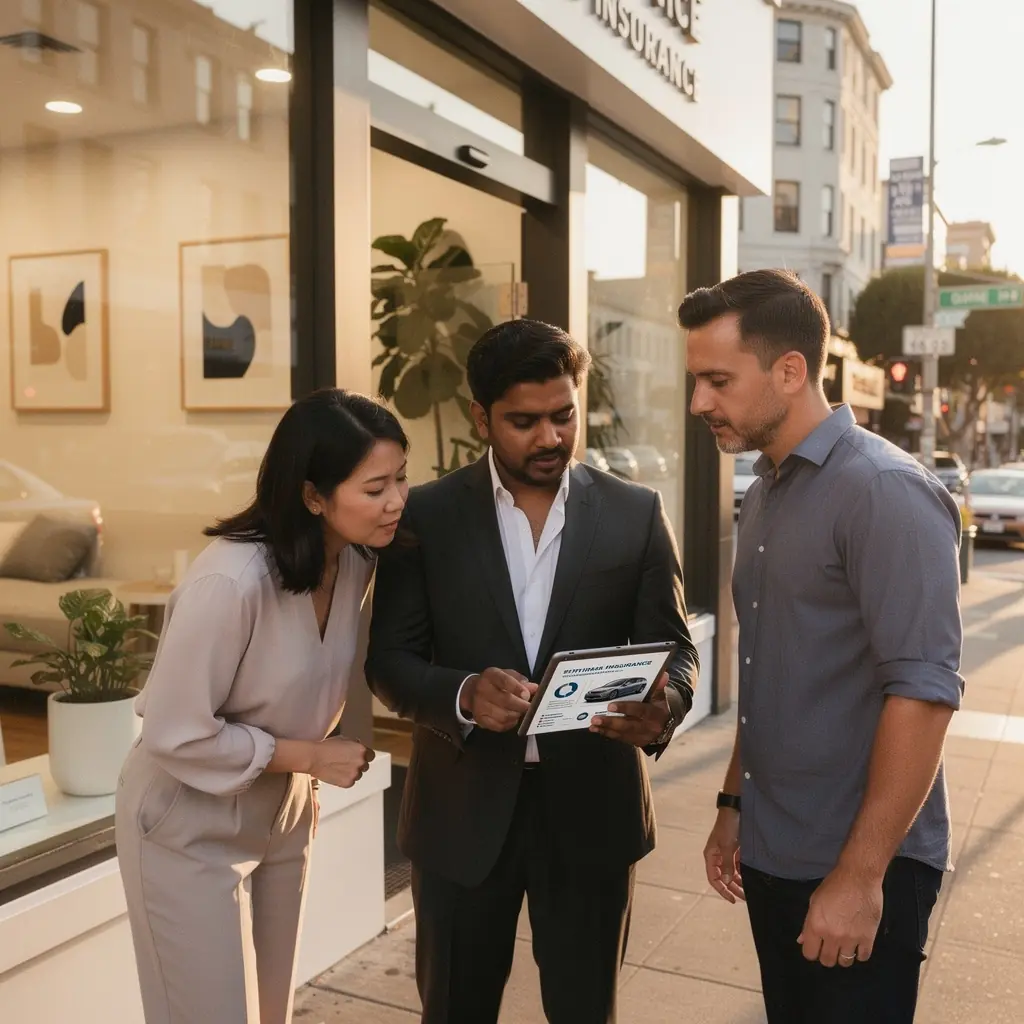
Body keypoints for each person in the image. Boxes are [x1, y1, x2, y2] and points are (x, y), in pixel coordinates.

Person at [366, 318, 700, 1024]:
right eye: (524, 421)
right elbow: (389, 663)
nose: (550, 437)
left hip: (592, 813)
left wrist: (662, 705)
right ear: (481, 417)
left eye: (563, 415)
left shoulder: (635, 514)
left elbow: (675, 649)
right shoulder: (425, 515)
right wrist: (459, 693)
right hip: (460, 816)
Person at [681, 269, 963, 1024]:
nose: (697, 402)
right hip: (775, 847)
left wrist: (860, 876)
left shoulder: (884, 491)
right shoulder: (765, 491)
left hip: (858, 862)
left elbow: (925, 691)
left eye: (716, 380)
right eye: (695, 381)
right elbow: (768, 665)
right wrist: (735, 802)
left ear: (791, 370)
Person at [115, 389, 409, 1024]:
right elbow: (172, 732)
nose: (396, 501)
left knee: (272, 1010)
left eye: (401, 479)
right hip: (186, 819)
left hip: (284, 805)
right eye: (376, 487)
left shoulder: (355, 560)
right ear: (312, 496)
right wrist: (310, 755)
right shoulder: (230, 582)